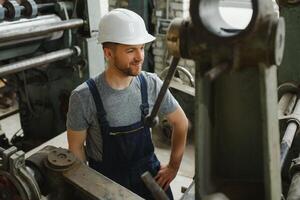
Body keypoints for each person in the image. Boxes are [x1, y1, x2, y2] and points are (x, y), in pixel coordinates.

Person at [67, 8, 188, 200]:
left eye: (141, 47)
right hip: (107, 182)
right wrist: (88, 189)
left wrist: (173, 166)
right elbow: (76, 149)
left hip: (150, 175)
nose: (140, 57)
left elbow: (181, 123)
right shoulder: (83, 97)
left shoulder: (151, 84)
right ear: (108, 53)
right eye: (130, 50)